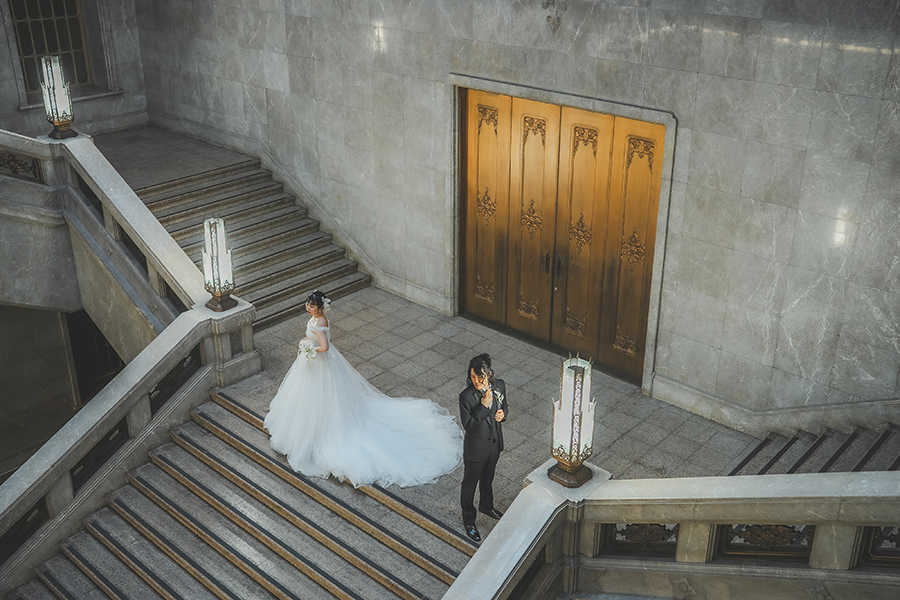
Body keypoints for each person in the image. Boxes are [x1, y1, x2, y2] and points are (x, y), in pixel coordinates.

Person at [264, 290, 463, 488]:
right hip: (312, 363)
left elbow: (324, 347)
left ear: (320, 308)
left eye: (312, 305)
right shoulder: (315, 319)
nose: (308, 308)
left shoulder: (322, 321)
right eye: (307, 304)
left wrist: (309, 349)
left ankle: (317, 434)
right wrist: (306, 342)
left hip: (321, 363)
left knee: (324, 399)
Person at [458, 353, 508, 542]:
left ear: (489, 374)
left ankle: (486, 506)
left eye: (481, 377)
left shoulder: (500, 386)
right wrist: (484, 407)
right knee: (469, 485)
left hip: (494, 444)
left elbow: (506, 407)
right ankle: (469, 520)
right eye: (472, 377)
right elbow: (469, 426)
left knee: (488, 479)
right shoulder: (465, 397)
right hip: (475, 450)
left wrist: (503, 414)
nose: (477, 381)